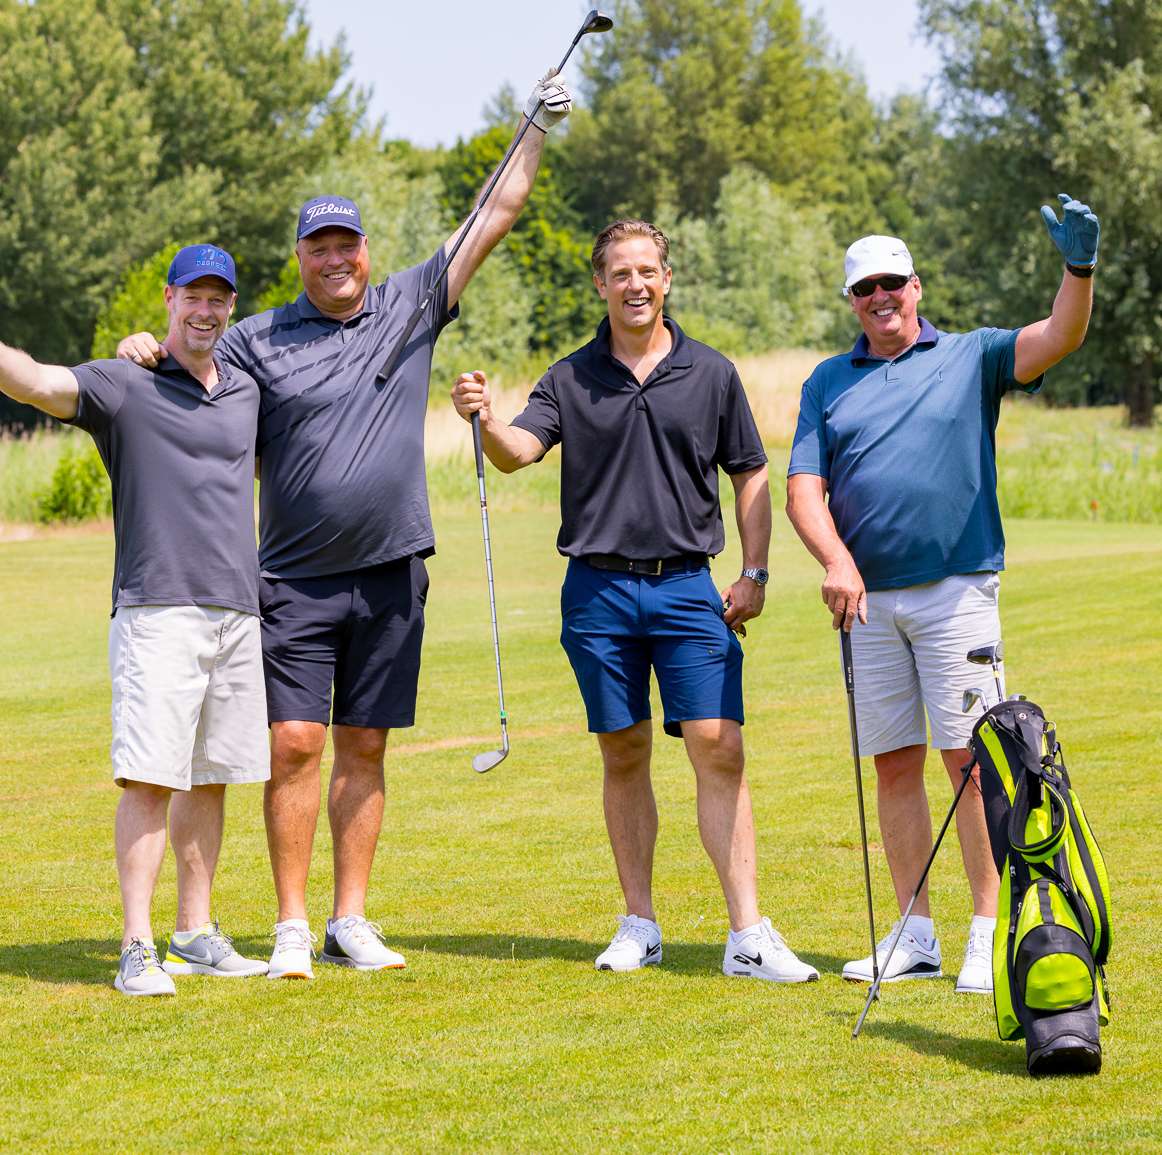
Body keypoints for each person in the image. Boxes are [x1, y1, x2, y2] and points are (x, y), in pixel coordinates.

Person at [117, 70, 572, 977]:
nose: (337, 259)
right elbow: (191, 358)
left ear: (366, 251)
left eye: (348, 245)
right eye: (319, 247)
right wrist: (145, 346)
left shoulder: (409, 304)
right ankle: (290, 925)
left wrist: (534, 127)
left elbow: (494, 212)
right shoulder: (256, 338)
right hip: (291, 578)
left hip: (394, 570)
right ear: (300, 257)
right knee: (295, 744)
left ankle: (347, 919)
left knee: (365, 745)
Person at [451, 219, 819, 983]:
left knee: (720, 746)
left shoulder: (712, 374)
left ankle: (748, 933)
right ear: (600, 283)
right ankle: (638, 922)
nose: (636, 285)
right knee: (624, 751)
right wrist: (486, 420)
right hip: (598, 590)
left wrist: (756, 570)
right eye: (620, 273)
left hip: (688, 586)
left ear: (667, 278)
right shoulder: (569, 377)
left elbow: (749, 472)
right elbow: (518, 453)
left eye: (647, 271)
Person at [783, 196, 1099, 995]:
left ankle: (989, 931)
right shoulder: (828, 382)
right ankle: (913, 932)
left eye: (893, 282)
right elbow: (803, 490)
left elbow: (1059, 336)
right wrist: (835, 560)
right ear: (852, 301)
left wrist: (1079, 270)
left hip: (956, 592)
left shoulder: (972, 356)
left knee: (974, 764)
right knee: (894, 765)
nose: (881, 297)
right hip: (866, 602)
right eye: (865, 289)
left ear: (917, 287)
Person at [0, 244, 270, 998]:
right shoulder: (126, 381)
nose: (207, 310)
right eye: (194, 295)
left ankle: (195, 932)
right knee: (150, 779)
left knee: (211, 779)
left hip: (235, 612)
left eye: (220, 298)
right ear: (168, 298)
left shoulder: (246, 391)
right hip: (157, 610)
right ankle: (137, 945)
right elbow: (39, 385)